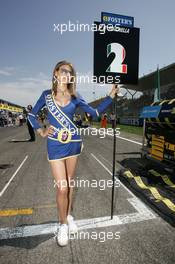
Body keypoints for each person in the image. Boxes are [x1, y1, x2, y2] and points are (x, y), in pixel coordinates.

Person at [27, 60, 120, 247]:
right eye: (63, 71)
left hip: (74, 145)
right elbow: (31, 115)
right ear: (55, 73)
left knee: (69, 185)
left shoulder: (75, 96)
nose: (67, 75)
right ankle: (62, 225)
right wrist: (42, 131)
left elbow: (93, 113)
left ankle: (68, 215)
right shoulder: (46, 95)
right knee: (61, 187)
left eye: (70, 73)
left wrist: (110, 95)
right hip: (55, 146)